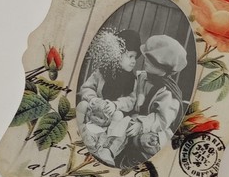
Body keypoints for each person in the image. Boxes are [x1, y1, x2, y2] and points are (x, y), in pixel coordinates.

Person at [117, 35, 187, 168]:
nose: (146, 61)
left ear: (165, 68)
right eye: (147, 57)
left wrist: (141, 124)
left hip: (154, 128)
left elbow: (162, 120)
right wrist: (118, 104)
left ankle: (136, 165)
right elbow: (133, 97)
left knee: (146, 143)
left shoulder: (167, 93)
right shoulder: (143, 77)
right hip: (134, 118)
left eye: (153, 61)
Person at [76, 29, 141, 163]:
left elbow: (131, 100)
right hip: (95, 111)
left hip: (112, 116)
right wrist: (93, 99)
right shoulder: (101, 72)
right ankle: (80, 132)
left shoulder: (132, 80)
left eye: (135, 57)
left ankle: (106, 147)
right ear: (117, 55)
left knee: (120, 116)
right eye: (130, 56)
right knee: (82, 105)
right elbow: (86, 88)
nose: (134, 61)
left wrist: (115, 105)